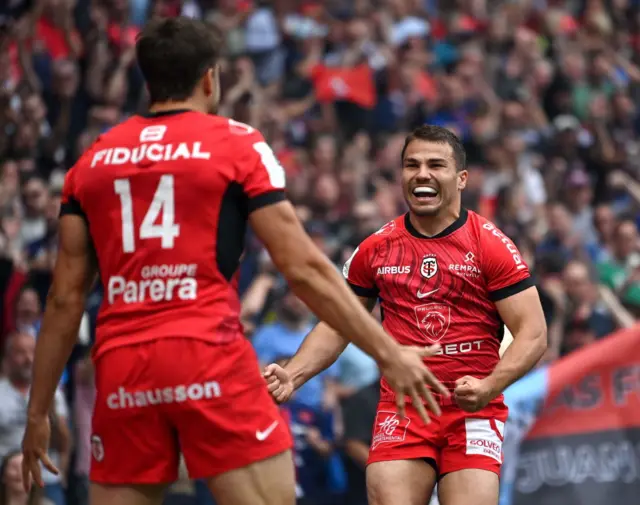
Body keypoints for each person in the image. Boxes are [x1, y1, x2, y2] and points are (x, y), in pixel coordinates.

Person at [19, 17, 447, 505]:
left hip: (122, 365)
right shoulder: (235, 143)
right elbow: (303, 268)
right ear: (209, 78)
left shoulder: (91, 161)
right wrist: (390, 354)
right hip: (206, 352)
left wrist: (37, 413)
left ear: (148, 79)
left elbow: (64, 298)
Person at [264, 125, 548, 505]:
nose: (422, 174)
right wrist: (293, 374)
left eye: (436, 165)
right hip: (405, 407)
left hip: (472, 409)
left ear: (461, 179)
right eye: (411, 165)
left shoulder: (490, 244)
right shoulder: (376, 247)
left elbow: (533, 333)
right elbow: (338, 322)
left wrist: (490, 386)